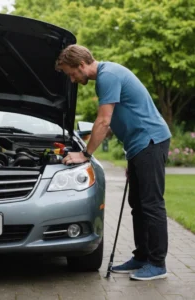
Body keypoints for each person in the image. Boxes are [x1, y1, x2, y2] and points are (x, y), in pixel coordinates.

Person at [55, 44, 171, 281]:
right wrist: (132, 156)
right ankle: (141, 257)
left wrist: (84, 154)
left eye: (71, 73)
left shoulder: (107, 76)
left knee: (151, 204)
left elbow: (104, 121)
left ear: (81, 64)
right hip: (140, 147)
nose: (73, 79)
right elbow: (111, 125)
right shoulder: (106, 77)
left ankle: (157, 264)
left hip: (151, 141)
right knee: (138, 205)